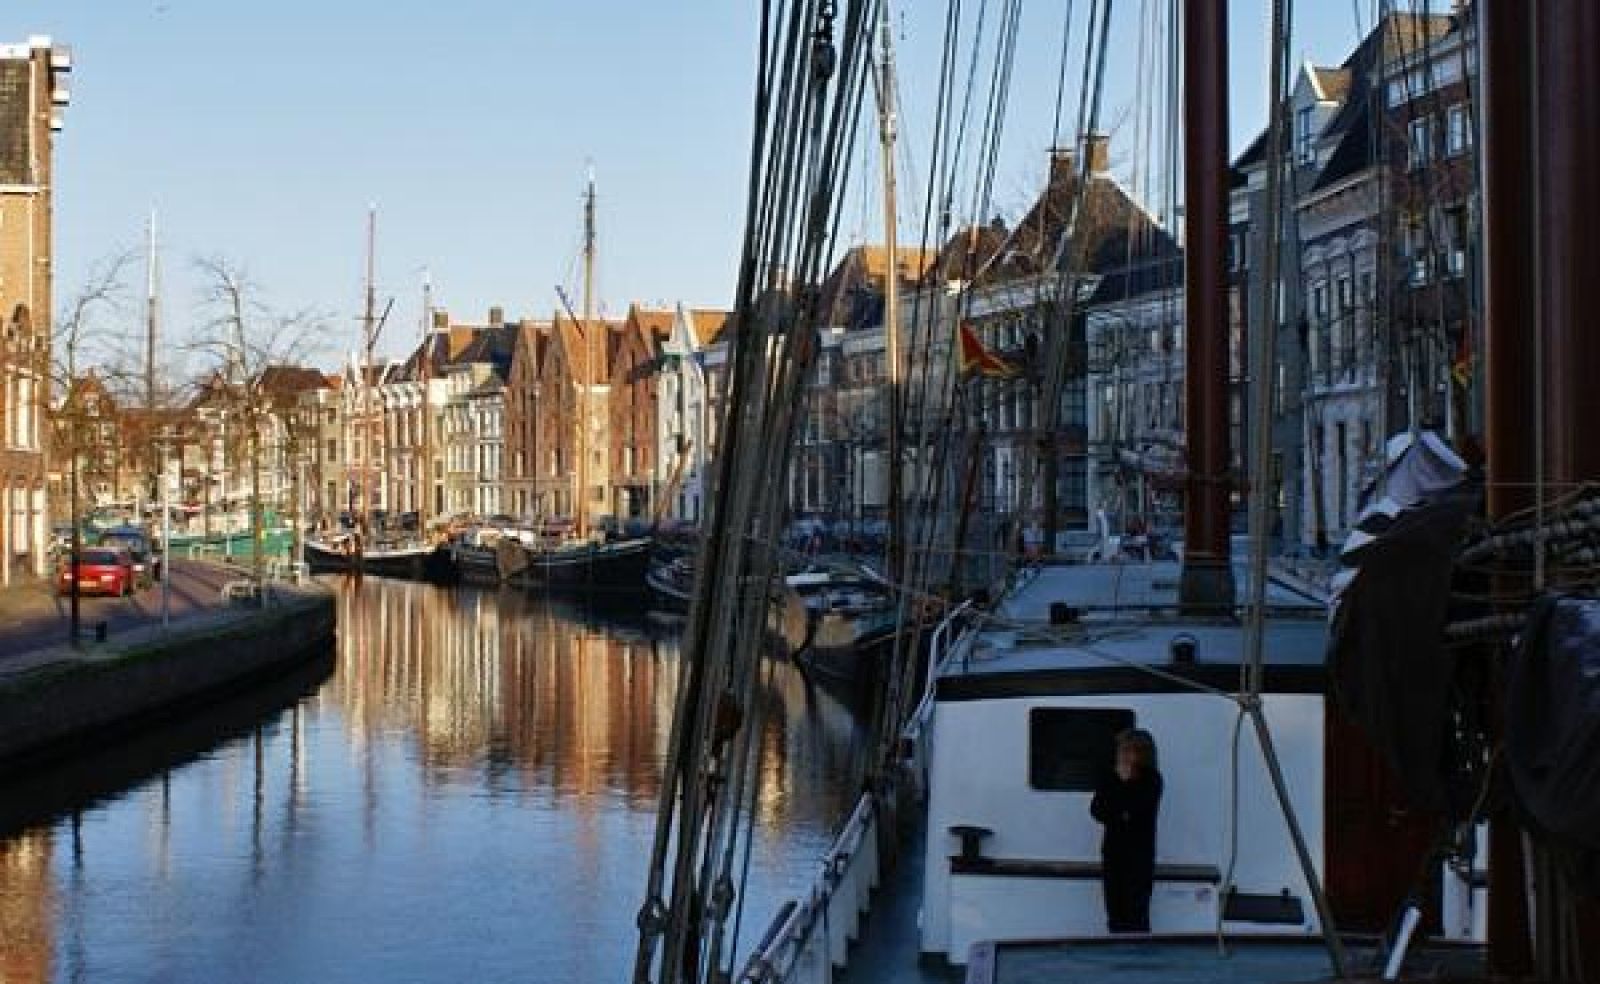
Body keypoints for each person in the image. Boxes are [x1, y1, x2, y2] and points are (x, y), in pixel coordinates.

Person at [1090, 728, 1163, 933]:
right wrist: (1119, 811)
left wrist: (1123, 788)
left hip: (1139, 855)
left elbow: (1135, 811)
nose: (1121, 755)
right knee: (1114, 911)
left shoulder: (1152, 780)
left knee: (1136, 912)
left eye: (1125, 750)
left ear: (1140, 753)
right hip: (1113, 852)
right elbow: (1096, 810)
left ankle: (1138, 958)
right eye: (1121, 750)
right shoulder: (1109, 777)